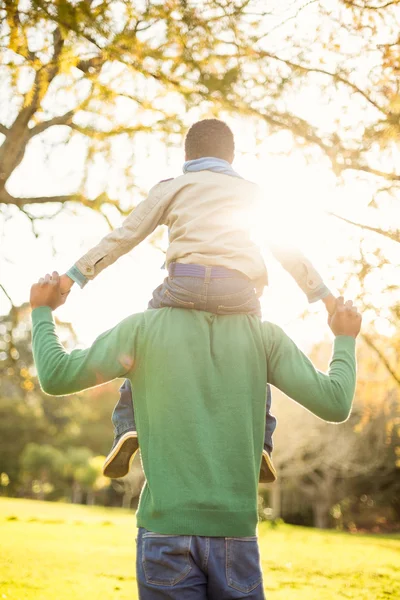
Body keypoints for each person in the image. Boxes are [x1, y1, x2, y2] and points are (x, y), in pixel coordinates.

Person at [30, 272, 361, 600]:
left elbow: (56, 375)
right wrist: (344, 339)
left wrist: (42, 312)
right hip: (236, 536)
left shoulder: (143, 327)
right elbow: (335, 402)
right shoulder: (265, 338)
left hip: (164, 535)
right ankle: (262, 445)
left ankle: (128, 426)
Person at [57, 118, 336, 483]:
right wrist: (324, 296)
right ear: (232, 158)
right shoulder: (253, 193)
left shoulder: (174, 187)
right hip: (237, 293)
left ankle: (128, 423)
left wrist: (74, 276)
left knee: (141, 340)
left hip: (182, 287)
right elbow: (289, 251)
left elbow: (125, 236)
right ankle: (263, 442)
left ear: (186, 156)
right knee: (258, 352)